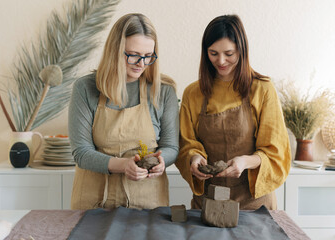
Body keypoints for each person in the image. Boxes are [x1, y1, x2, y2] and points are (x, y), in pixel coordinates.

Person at [176, 14, 291, 210]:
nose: (221, 61)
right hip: (208, 202)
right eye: (213, 53)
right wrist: (194, 158)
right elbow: (186, 143)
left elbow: (276, 152)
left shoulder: (263, 89)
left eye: (229, 54)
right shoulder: (193, 93)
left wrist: (245, 161)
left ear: (242, 50)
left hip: (254, 204)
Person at [68, 13, 179, 210]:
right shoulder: (85, 88)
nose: (141, 64)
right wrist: (123, 165)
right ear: (115, 51)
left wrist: (162, 161)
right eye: (134, 55)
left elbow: (171, 146)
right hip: (94, 203)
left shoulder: (164, 91)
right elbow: (81, 153)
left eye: (148, 56)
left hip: (147, 203)